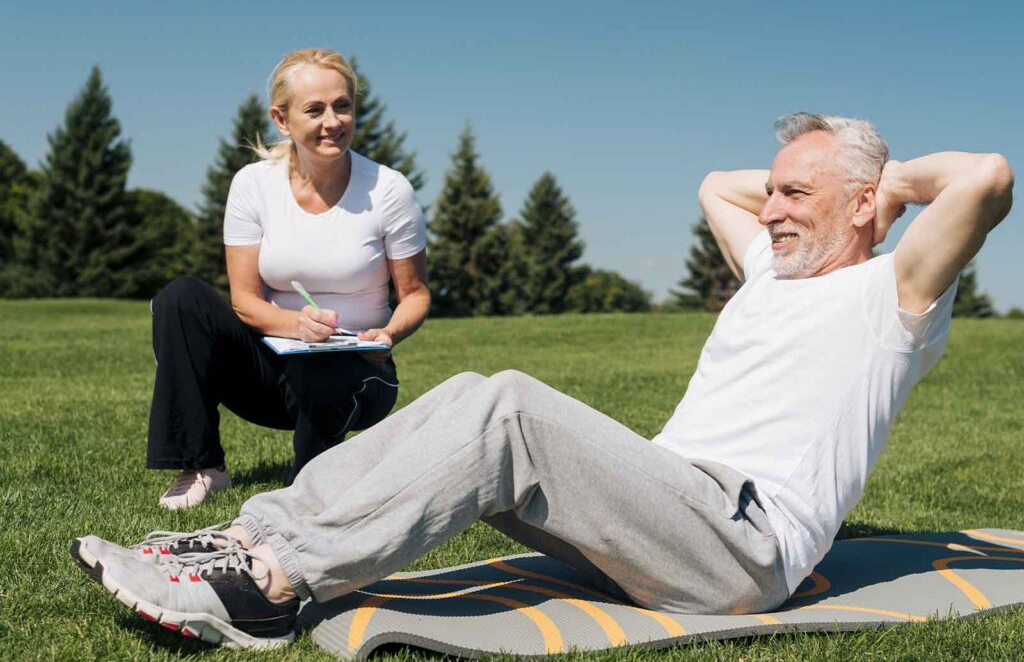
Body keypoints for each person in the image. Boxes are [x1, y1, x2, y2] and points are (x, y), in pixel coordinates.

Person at [72, 114, 1013, 649]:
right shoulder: (771, 270)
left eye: (795, 196)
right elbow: (713, 186)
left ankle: (270, 586)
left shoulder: (895, 297)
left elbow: (987, 176)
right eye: (773, 192)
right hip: (659, 511)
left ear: (862, 206)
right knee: (473, 391)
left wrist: (883, 185)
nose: (767, 209)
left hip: (742, 544)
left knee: (508, 404)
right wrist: (806, 176)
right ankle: (249, 535)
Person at [146, 48, 429, 509]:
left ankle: (311, 479)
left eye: (342, 106)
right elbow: (243, 300)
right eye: (314, 110)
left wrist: (389, 334)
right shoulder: (254, 185)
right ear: (282, 119)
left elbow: (415, 294)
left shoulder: (389, 190)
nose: (332, 121)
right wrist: (297, 326)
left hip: (359, 375)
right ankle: (201, 465)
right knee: (181, 299)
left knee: (322, 365)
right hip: (269, 374)